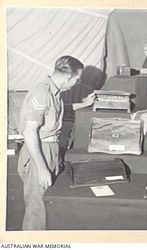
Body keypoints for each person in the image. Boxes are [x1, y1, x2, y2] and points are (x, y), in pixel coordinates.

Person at [18, 55, 96, 230]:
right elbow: (29, 132)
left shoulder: (55, 93)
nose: (77, 83)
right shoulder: (42, 92)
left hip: (50, 149)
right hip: (39, 151)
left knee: (46, 205)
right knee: (37, 209)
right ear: (69, 77)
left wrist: (85, 103)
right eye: (77, 79)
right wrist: (42, 167)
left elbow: (58, 110)